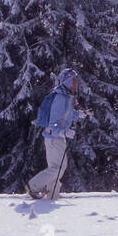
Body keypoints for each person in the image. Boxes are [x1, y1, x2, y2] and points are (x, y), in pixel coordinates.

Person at [28, 67, 84, 200]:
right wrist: (65, 131)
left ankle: (52, 195)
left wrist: (80, 114)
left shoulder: (67, 97)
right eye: (74, 80)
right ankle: (34, 186)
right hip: (54, 138)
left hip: (57, 138)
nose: (76, 83)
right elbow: (54, 122)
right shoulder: (60, 97)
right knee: (58, 167)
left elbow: (67, 115)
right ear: (67, 81)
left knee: (57, 167)